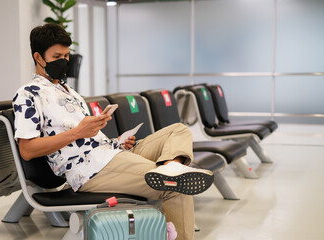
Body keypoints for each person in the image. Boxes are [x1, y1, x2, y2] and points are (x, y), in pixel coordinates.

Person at [13, 23, 214, 240]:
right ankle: (171, 174)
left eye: (67, 55)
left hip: (111, 154)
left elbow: (89, 137)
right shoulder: (28, 95)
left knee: (178, 130)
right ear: (38, 57)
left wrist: (117, 142)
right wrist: (78, 132)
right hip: (90, 170)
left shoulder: (70, 92)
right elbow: (27, 150)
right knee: (175, 186)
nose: (64, 61)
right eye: (57, 56)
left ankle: (171, 166)